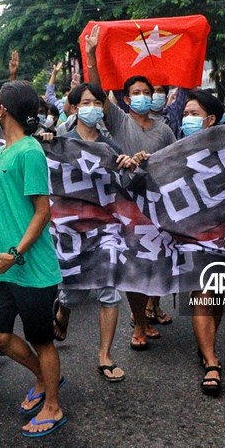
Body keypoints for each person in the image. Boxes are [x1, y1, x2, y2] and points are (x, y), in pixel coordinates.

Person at [0, 81, 65, 437]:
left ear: (5, 110)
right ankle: (45, 379)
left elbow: (42, 212)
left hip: (30, 268)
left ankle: (54, 406)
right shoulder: (3, 152)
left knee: (42, 340)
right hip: (1, 267)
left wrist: (15, 253)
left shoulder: (30, 152)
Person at [85, 25, 177, 350]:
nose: (142, 97)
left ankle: (154, 306)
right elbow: (96, 91)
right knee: (134, 265)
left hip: (157, 205)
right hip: (125, 205)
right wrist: (92, 56)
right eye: (135, 93)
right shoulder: (119, 121)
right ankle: (138, 322)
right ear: (126, 99)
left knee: (158, 261)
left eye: (146, 93)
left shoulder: (165, 130)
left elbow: (175, 163)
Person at [52, 83, 138, 382]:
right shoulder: (59, 141)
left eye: (98, 102)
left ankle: (104, 355)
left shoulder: (109, 145)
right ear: (74, 108)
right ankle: (62, 311)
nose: (93, 107)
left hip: (105, 228)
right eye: (86, 102)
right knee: (72, 295)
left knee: (109, 289)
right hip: (70, 229)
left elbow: (126, 177)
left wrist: (129, 164)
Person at [175, 88, 225, 395]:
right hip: (193, 234)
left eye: (194, 114)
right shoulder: (177, 148)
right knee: (203, 291)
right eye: (185, 114)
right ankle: (211, 361)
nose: (188, 119)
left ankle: (206, 344)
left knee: (219, 293)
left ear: (209, 120)